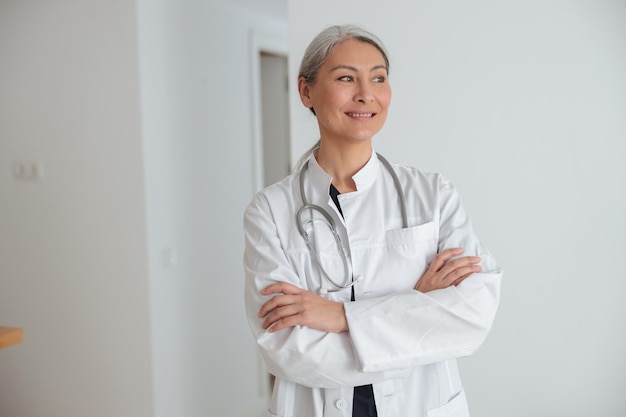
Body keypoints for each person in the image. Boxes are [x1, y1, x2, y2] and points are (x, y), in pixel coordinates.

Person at [243, 24, 502, 417]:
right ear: (305, 91)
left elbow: (471, 316)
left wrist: (339, 317)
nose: (365, 93)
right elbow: (286, 349)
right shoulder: (270, 211)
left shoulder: (433, 196)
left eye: (378, 78)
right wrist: (417, 311)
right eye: (346, 77)